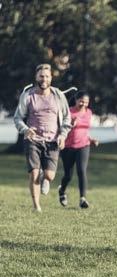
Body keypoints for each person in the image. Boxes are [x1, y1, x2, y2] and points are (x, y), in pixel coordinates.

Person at [13, 63, 71, 213]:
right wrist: (25, 129)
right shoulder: (28, 95)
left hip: (53, 141)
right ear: (36, 77)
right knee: (33, 173)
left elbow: (66, 118)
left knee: (49, 176)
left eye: (46, 76)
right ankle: (36, 206)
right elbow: (18, 117)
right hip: (33, 140)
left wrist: (63, 136)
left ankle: (46, 178)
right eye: (41, 76)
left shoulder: (58, 95)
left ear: (51, 78)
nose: (44, 79)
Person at [58, 91, 99, 209]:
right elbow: (61, 130)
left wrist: (91, 140)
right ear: (76, 100)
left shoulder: (89, 112)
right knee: (68, 175)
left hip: (84, 145)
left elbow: (85, 130)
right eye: (81, 101)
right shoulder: (68, 112)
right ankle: (62, 191)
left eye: (86, 102)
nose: (83, 104)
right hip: (68, 147)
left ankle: (82, 199)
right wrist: (71, 124)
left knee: (81, 170)